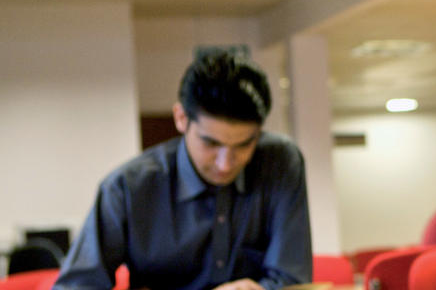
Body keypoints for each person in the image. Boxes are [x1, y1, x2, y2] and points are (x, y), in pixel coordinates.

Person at [54, 50, 311, 290]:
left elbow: (292, 280)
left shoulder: (280, 163)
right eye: (211, 143)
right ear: (180, 118)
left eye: (244, 144)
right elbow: (76, 286)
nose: (225, 163)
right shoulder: (126, 187)